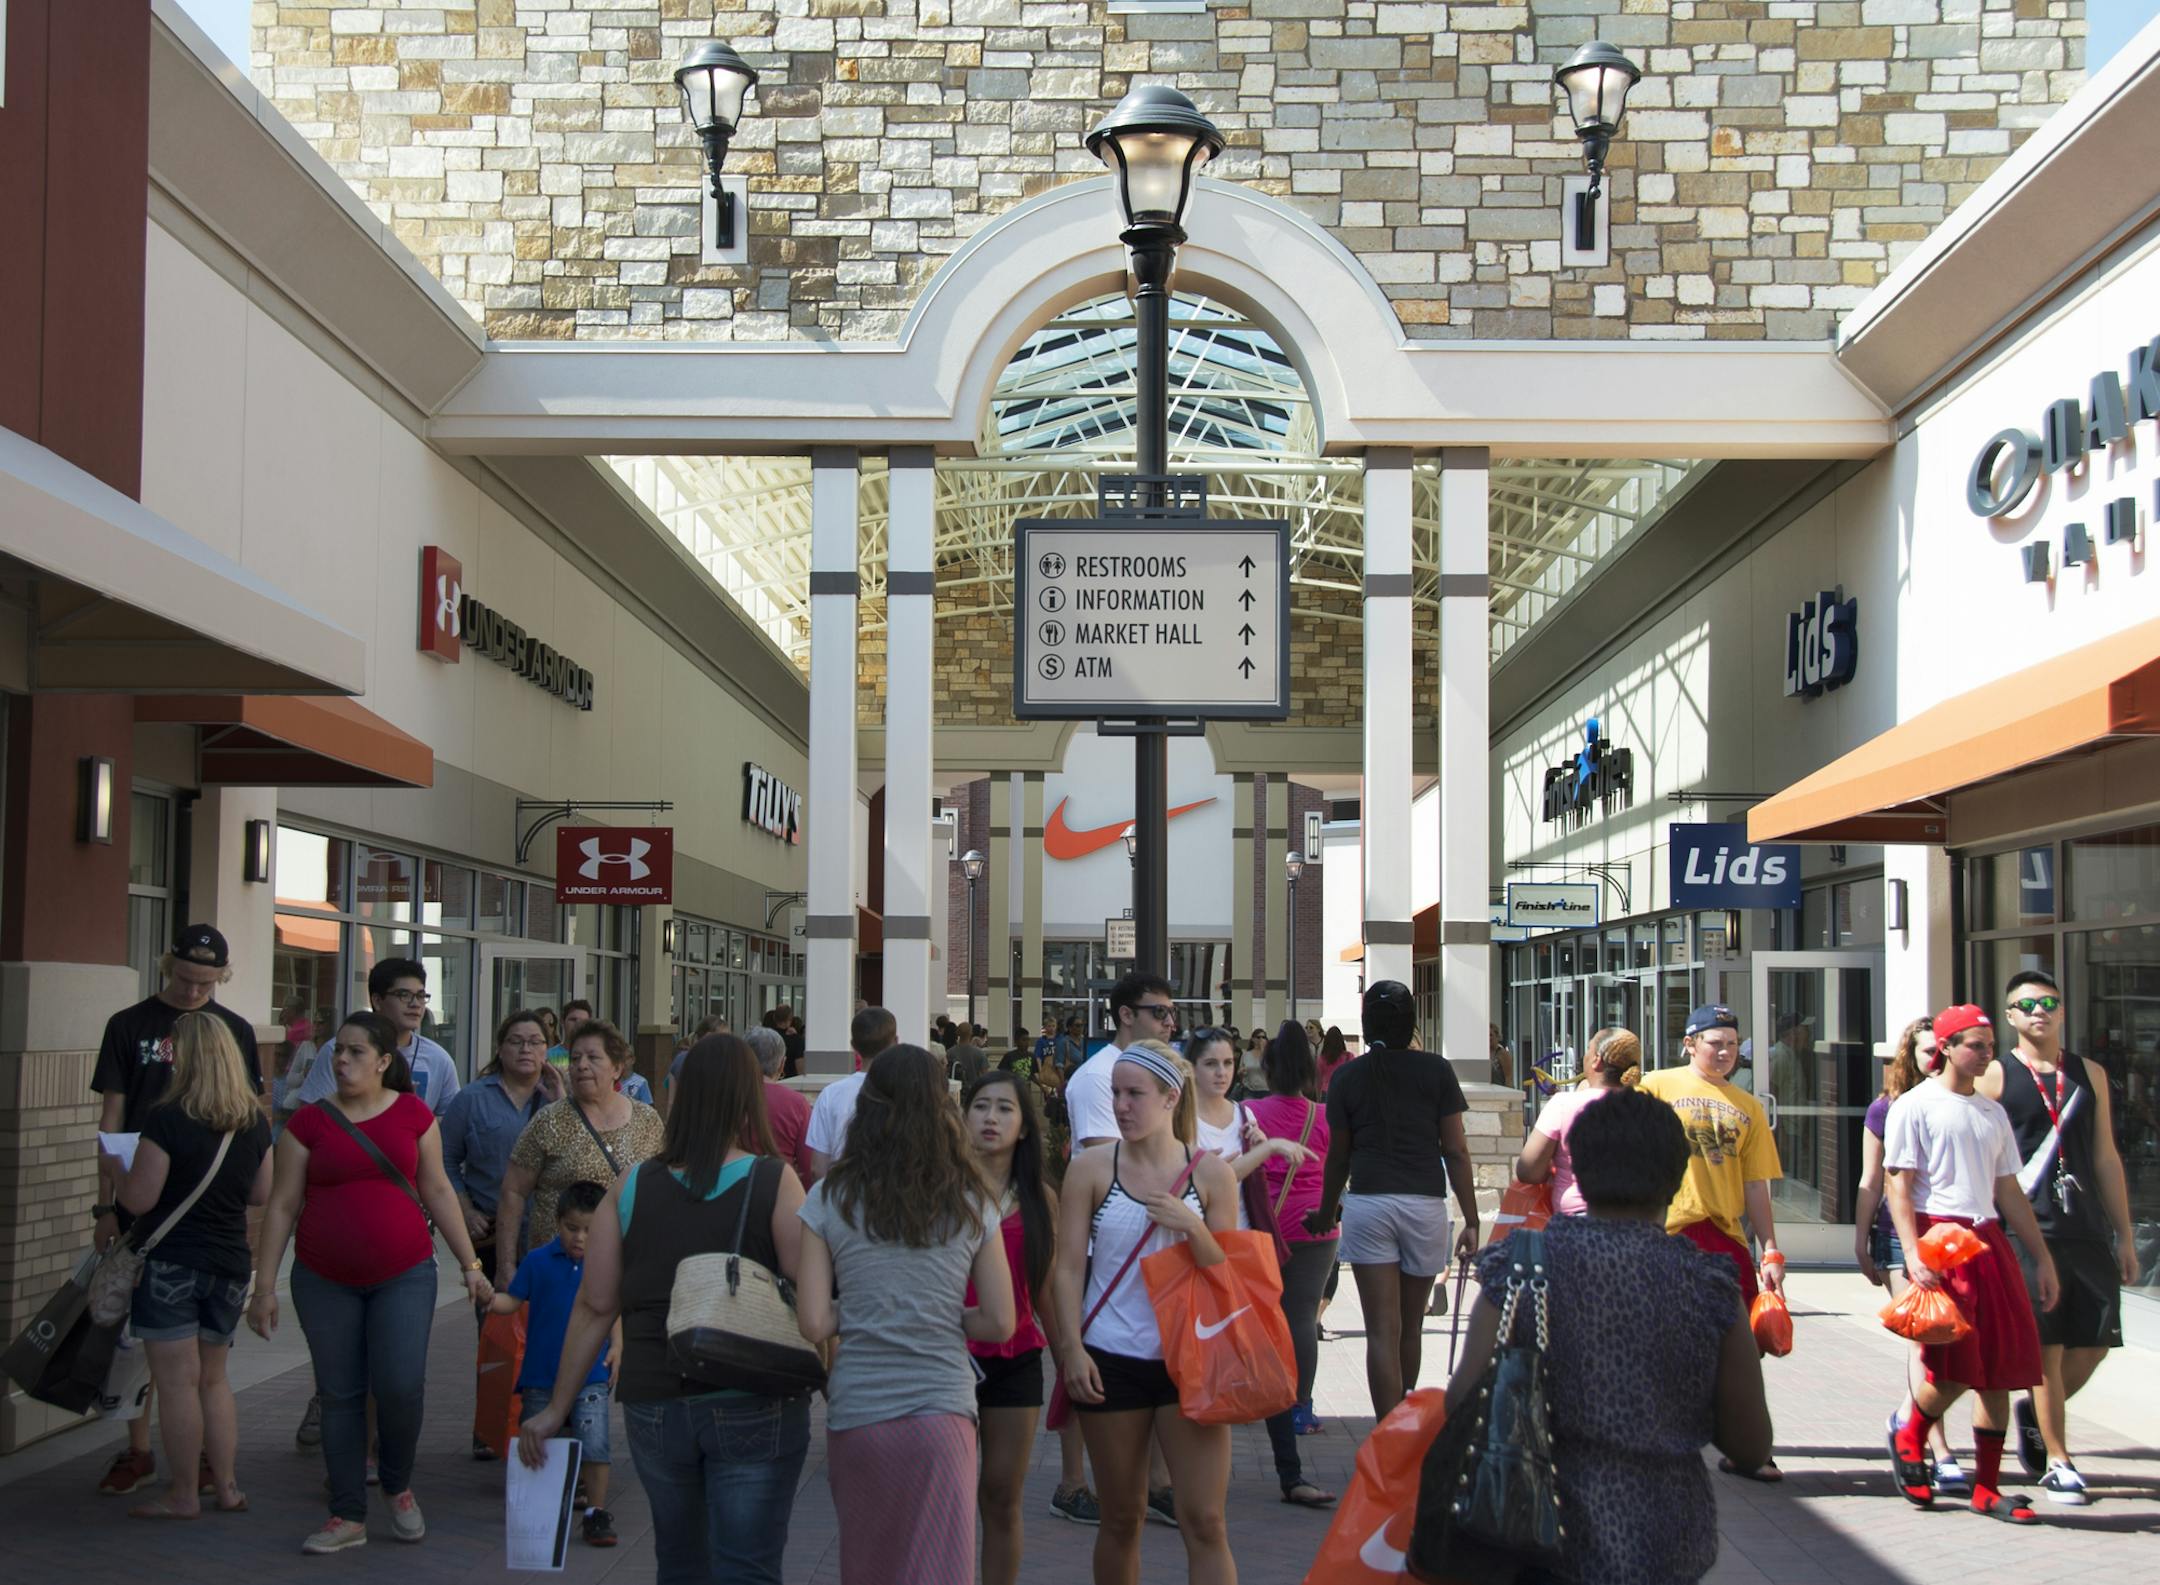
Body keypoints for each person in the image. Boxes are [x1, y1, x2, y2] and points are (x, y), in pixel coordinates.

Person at [1429, 1088, 1772, 1585]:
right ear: (1676, 1178)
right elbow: (1751, 1443)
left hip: (1537, 1531)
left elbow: (1462, 1400)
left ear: (1576, 1170)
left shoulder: (1520, 1269)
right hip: (1665, 1541)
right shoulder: (1709, 1285)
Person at [519, 1034, 811, 1584]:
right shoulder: (775, 1181)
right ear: (748, 1099)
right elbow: (810, 1294)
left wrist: (557, 1406)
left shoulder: (631, 1186)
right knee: (748, 1566)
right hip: (754, 1395)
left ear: (680, 1095)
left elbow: (596, 1304)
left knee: (679, 1562)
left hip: (656, 1398)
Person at [248, 1011, 494, 1553]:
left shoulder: (412, 1116)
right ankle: (346, 1515)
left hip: (404, 1275)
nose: (341, 1059)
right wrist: (264, 1286)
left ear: (384, 1062)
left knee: (401, 1385)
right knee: (340, 1395)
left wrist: (471, 1267)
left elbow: (437, 1191)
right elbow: (283, 1205)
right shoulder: (310, 1123)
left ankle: (398, 1485)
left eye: (356, 1051)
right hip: (323, 1279)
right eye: (338, 1050)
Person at [797, 1047, 1015, 1585]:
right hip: (941, 1412)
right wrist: (937, 1314)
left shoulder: (829, 1198)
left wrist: (870, 1311)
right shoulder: (971, 1201)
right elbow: (1000, 1322)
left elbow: (814, 1323)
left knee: (868, 1567)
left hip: (859, 1413)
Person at [1053, 1042, 1239, 1585]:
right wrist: (1071, 1349)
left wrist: (1194, 1226)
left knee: (1204, 1520)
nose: (1121, 1105)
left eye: (1135, 1094)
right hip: (1111, 1358)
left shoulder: (1211, 1176)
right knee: (1121, 1518)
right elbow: (1066, 1269)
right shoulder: (1090, 1168)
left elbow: (1230, 1275)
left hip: (1190, 1359)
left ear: (1169, 1098)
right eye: (1115, 1093)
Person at [89, 923, 265, 1496]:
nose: (193, 992)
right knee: (163, 1359)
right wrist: (105, 1207)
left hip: (179, 1219)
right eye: (186, 980)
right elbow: (110, 1121)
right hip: (167, 1222)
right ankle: (150, 1453)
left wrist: (122, 1177)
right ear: (169, 968)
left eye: (206, 983)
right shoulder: (129, 1024)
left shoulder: (232, 1033)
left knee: (175, 1364)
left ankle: (195, 1474)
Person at [1884, 1004, 2060, 1524]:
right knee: (1955, 1367)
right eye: (1976, 1045)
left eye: (1988, 1044)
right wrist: (1914, 1252)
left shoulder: (1991, 1113)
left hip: (1987, 1240)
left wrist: (2042, 1257)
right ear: (1947, 1048)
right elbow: (1899, 1185)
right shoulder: (1915, 1106)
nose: (1987, 1053)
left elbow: (2009, 1189)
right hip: (1941, 1235)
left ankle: (1987, 1487)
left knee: (2000, 1370)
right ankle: (1911, 1432)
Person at [1977, 968, 2141, 1505]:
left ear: (2063, 1010)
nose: (2038, 1012)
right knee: (2046, 1346)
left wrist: (2123, 1235)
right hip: (2028, 1230)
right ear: (2010, 1018)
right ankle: (2059, 1461)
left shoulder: (2088, 1073)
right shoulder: (1997, 1077)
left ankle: (2036, 1413)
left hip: (2084, 1227)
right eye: (2026, 1005)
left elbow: (2106, 1156)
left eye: (2048, 1002)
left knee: (2093, 1344)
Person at [112, 1012, 274, 1519]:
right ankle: (226, 1487)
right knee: (214, 1380)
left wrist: (114, 1168)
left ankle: (183, 1494)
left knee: (177, 1383)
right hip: (229, 1263)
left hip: (172, 1264)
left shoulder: (167, 1118)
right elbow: (261, 1194)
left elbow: (140, 1199)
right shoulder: (253, 1122)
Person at [1307, 979, 1478, 1418]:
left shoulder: (1347, 1076)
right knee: (1411, 1327)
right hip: (1424, 1204)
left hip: (1368, 1204)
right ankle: (1407, 1423)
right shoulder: (1437, 1071)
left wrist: (1327, 1212)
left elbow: (1338, 1156)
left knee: (1381, 1330)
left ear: (1366, 1024)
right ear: (1412, 1023)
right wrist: (1472, 1221)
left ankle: (1386, 1435)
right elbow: (1456, 1151)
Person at [1638, 1003, 1787, 1482]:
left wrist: (1770, 1248)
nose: (1724, 1052)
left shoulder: (1749, 1108)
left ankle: (1749, 1446)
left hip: (1725, 1236)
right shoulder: (1656, 1086)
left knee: (1746, 1348)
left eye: (1730, 1044)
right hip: (1669, 1231)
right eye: (1714, 1043)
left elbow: (1756, 1185)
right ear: (1689, 1043)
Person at [439, 1008, 559, 1458]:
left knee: (546, 1332)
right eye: (516, 1041)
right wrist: (463, 1208)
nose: (525, 1049)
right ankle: (490, 1427)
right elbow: (445, 1162)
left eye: (535, 1042)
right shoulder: (472, 1099)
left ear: (548, 1051)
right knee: (495, 1334)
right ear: (500, 1048)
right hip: (491, 1233)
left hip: (548, 1234)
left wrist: (561, 1096)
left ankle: (538, 1423)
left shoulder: (557, 1102)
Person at [1854, 1017, 1963, 1493]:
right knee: (1927, 1336)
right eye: (1927, 1052)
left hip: (1957, 1236)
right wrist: (1859, 1241)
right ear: (1910, 1057)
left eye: (1942, 1050)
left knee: (1957, 1344)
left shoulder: (1970, 1104)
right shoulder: (1887, 1109)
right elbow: (1872, 1179)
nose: (1935, 1060)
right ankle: (1935, 1449)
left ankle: (1906, 1419)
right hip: (1899, 1236)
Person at [961, 1069, 1061, 1585]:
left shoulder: (1040, 1199)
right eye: (980, 1106)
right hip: (946, 1356)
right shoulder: (938, 1189)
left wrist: (1071, 1361)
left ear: (1024, 1126)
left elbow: (1048, 1288)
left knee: (1000, 1494)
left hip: (1016, 1356)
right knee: (949, 1496)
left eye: (1004, 1108)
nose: (991, 1118)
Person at [491, 1179, 621, 1545]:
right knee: (537, 1441)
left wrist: (618, 1345)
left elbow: (613, 1311)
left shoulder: (606, 1264)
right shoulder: (537, 1262)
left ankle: (595, 1512)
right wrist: (489, 1297)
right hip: (540, 1374)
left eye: (590, 1230)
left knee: (595, 1442)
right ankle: (537, 1507)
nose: (580, 1238)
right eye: (572, 1228)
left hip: (591, 1373)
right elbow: (512, 1301)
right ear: (556, 1221)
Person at [496, 1019, 662, 1294]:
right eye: (575, 1058)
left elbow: (663, 1191)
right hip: (559, 1274)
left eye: (593, 1057)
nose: (581, 1065)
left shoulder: (647, 1121)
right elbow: (513, 1192)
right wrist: (505, 1267)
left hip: (627, 1270)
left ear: (617, 1068)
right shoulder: (549, 1121)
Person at [1244, 1022, 1339, 1500]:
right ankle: (1300, 1405)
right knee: (1301, 1319)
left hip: (1267, 1229)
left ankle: (1254, 1396)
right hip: (1318, 1228)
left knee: (1262, 1320)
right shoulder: (1324, 1118)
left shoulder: (1248, 1111)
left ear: (1268, 1068)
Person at [292, 958, 459, 1116]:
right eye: (404, 995)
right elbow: (310, 1119)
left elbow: (450, 1124)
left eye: (421, 996)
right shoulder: (339, 1051)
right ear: (377, 1001)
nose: (415, 1004)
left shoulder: (439, 1059)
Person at [1514, 1026, 1639, 1218]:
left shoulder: (1563, 1105)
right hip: (1635, 1219)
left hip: (1576, 1221)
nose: (1584, 1056)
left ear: (1597, 1060)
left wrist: (1551, 1168)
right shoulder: (1646, 1108)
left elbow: (1527, 1170)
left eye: (1589, 1049)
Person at [1065, 972, 1180, 1153]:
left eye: (1173, 1012)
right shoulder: (1096, 1076)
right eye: (1160, 1012)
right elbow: (1112, 1162)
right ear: (1126, 1015)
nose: (1170, 1023)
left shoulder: (1163, 1071)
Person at [803, 1006, 900, 1178]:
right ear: (895, 1042)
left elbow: (818, 1167)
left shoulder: (830, 1094)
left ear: (853, 1046)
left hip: (841, 1196)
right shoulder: (907, 1092)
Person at [666, 1013, 728, 1108]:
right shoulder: (721, 1064)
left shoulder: (680, 1059)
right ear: (708, 1036)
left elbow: (671, 1102)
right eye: (723, 1039)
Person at [1315, 1025, 1351, 1095]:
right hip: (1344, 1091)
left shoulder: (1322, 1058)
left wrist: (1318, 1096)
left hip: (1326, 1091)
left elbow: (1318, 1080)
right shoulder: (1349, 1056)